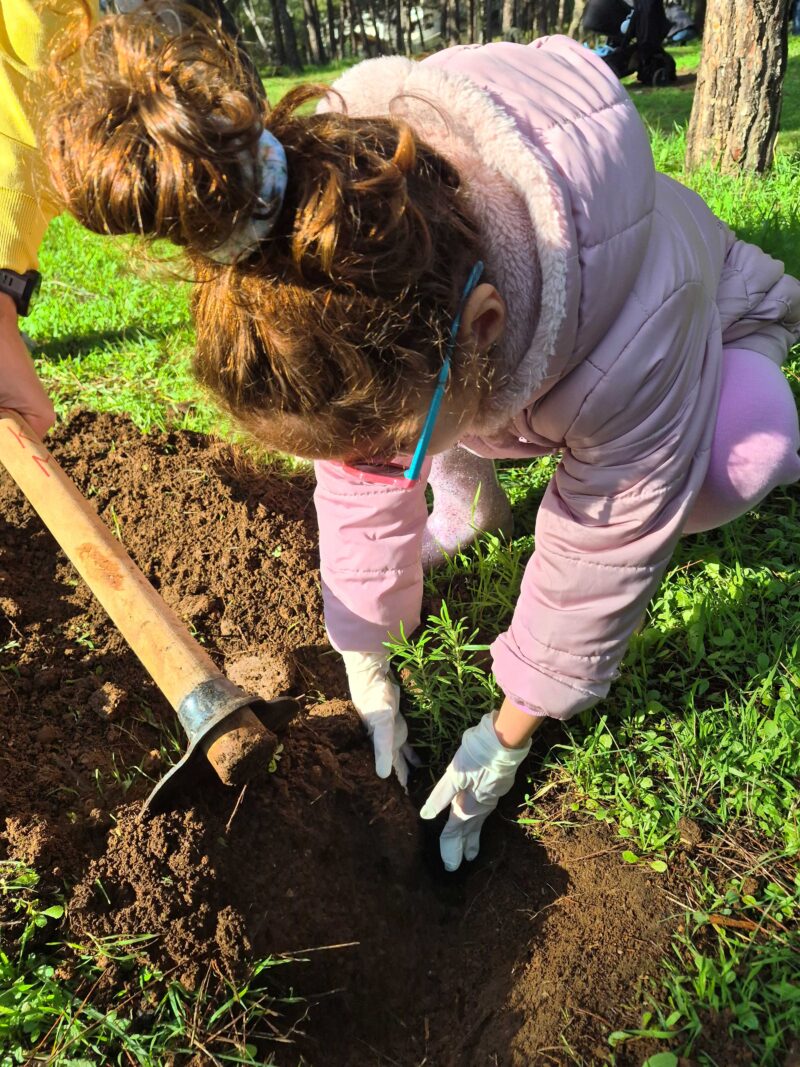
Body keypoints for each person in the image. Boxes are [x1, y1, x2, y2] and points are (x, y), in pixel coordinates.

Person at [43, 7, 800, 871]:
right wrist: (364, 658)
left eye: (382, 452)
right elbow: (364, 467)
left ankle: (721, 394)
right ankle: (472, 487)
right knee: (411, 414)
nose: (373, 474)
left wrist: (508, 733)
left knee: (748, 449)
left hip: (703, 322)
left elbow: (608, 539)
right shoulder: (342, 250)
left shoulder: (636, 334)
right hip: (484, 376)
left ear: (481, 325)